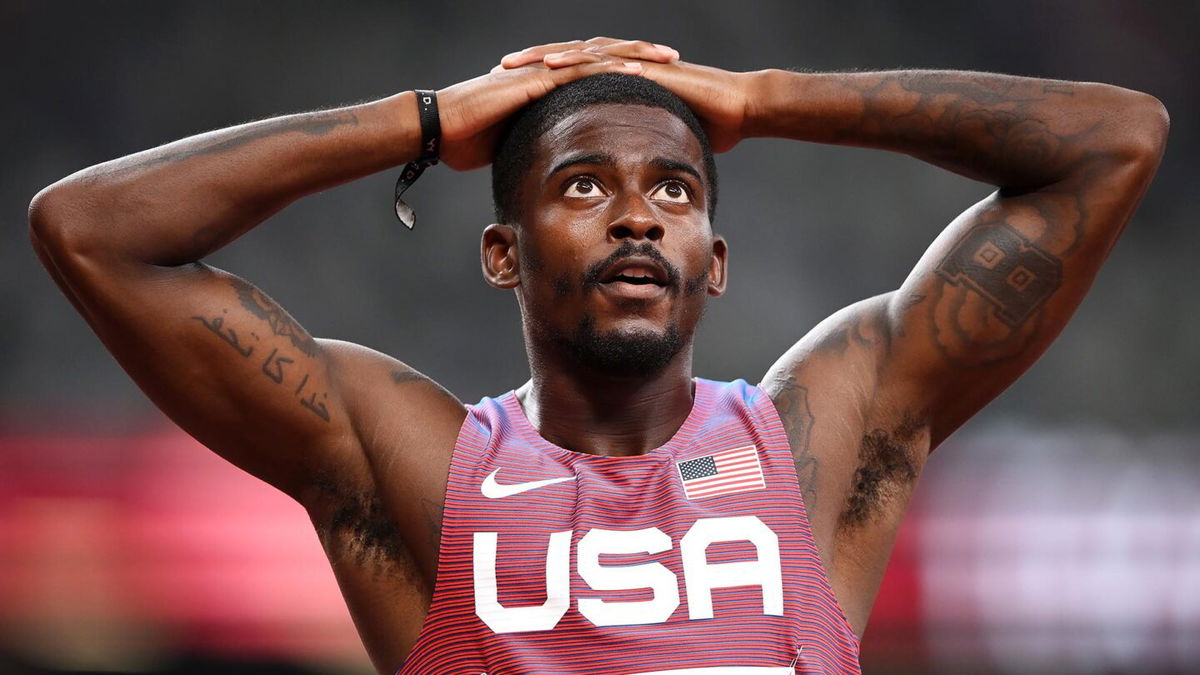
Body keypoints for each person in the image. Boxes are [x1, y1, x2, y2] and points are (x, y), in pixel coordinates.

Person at [28, 37, 1167, 674]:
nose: (637, 217)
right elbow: (89, 231)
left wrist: (758, 98)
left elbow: (1116, 140)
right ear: (501, 254)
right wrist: (428, 121)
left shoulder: (826, 434)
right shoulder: (419, 468)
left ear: (713, 260)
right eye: (584, 187)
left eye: (673, 190)